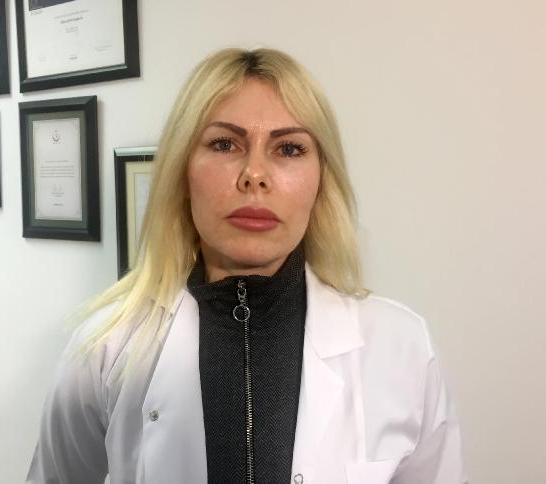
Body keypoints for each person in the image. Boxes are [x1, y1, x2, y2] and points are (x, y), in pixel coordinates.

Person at [27, 48, 468, 484]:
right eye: (224, 144)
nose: (254, 174)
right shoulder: (106, 348)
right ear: (182, 172)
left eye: (289, 148)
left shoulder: (402, 347)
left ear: (320, 181)